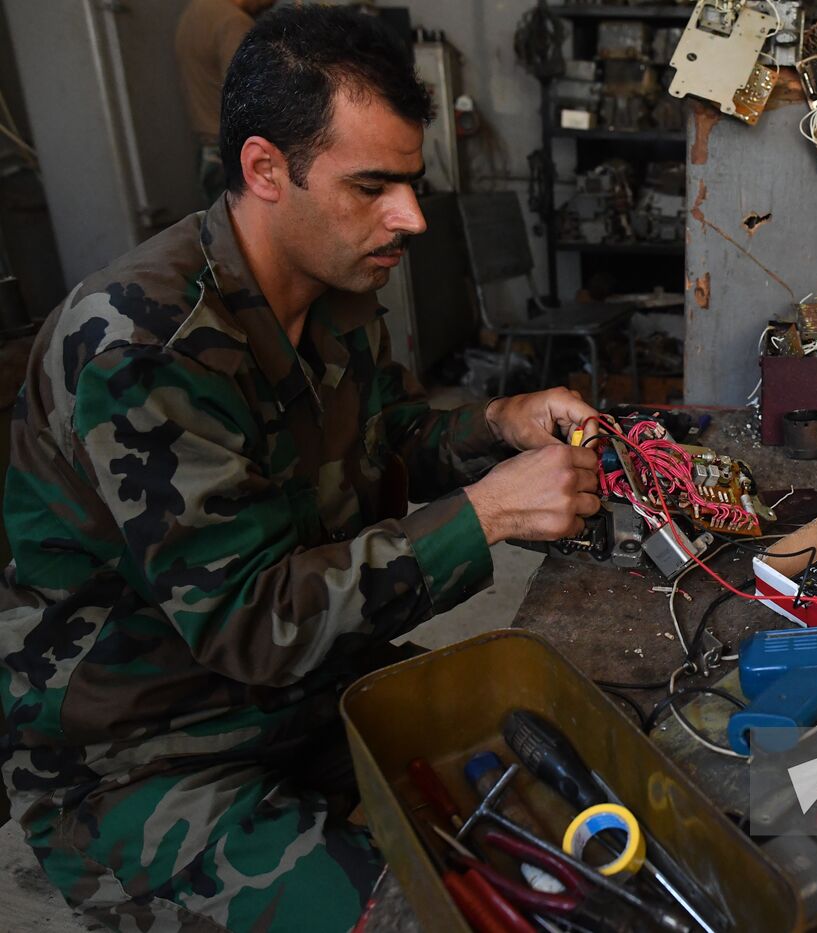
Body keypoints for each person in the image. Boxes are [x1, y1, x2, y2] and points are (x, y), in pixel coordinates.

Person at [0, 7, 601, 930]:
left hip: (304, 693)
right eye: (373, 187)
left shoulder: (334, 290)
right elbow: (252, 619)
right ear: (264, 170)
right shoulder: (138, 345)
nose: (409, 217)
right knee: (417, 916)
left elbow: (387, 437)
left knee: (568, 772)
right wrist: (488, 516)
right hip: (148, 751)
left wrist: (494, 422)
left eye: (412, 182)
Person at [175, 0, 276, 202]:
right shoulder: (233, 22)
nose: (272, 3)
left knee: (223, 231)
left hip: (210, 155)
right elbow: (252, 96)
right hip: (236, 157)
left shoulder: (195, 12)